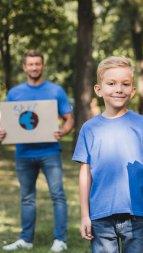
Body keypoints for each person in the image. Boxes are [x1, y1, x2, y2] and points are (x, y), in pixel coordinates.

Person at [72, 56, 143, 253]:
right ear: (98, 90)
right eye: (111, 83)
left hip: (135, 213)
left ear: (132, 91)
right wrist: (85, 215)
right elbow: (85, 173)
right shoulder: (89, 128)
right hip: (100, 214)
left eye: (125, 84)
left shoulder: (142, 124)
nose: (119, 89)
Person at [0, 50, 73, 252]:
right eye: (30, 64)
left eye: (37, 64)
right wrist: (3, 132)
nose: (34, 67)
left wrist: (63, 130)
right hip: (23, 154)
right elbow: (7, 121)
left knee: (57, 195)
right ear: (24, 67)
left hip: (50, 151)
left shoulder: (56, 91)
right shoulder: (14, 93)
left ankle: (60, 240)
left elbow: (69, 119)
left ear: (43, 66)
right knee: (27, 197)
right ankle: (26, 239)